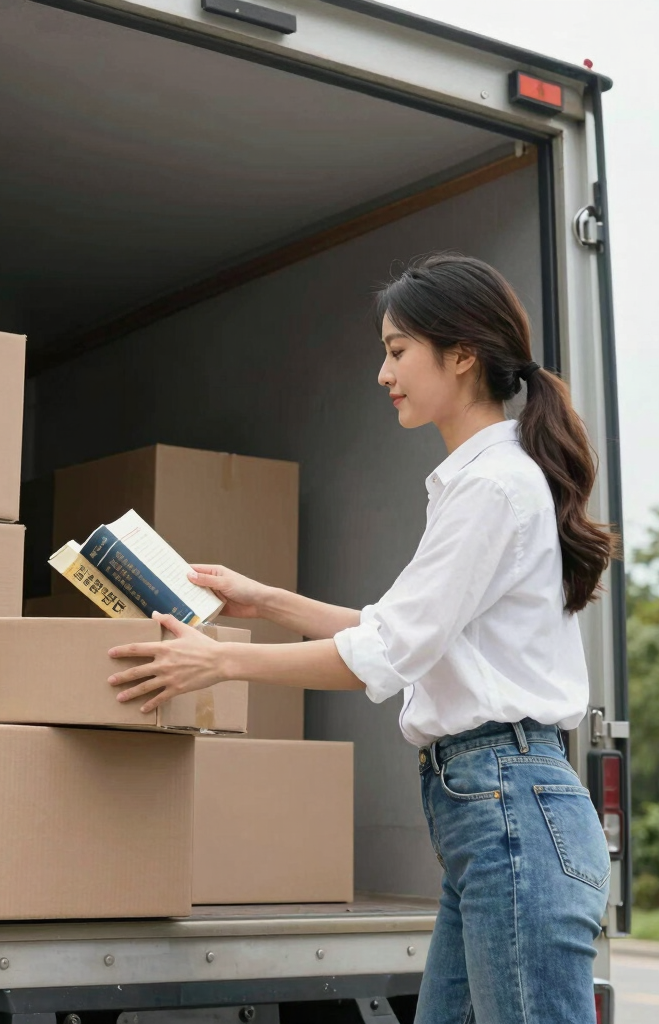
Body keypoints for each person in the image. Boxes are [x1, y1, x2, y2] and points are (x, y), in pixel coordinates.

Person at [107, 252, 616, 1024]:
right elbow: (398, 632)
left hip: (509, 804)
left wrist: (218, 662)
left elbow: (384, 655)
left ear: (462, 353)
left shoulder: (492, 487)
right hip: (491, 809)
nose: (384, 373)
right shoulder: (482, 482)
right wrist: (261, 598)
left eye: (397, 349)